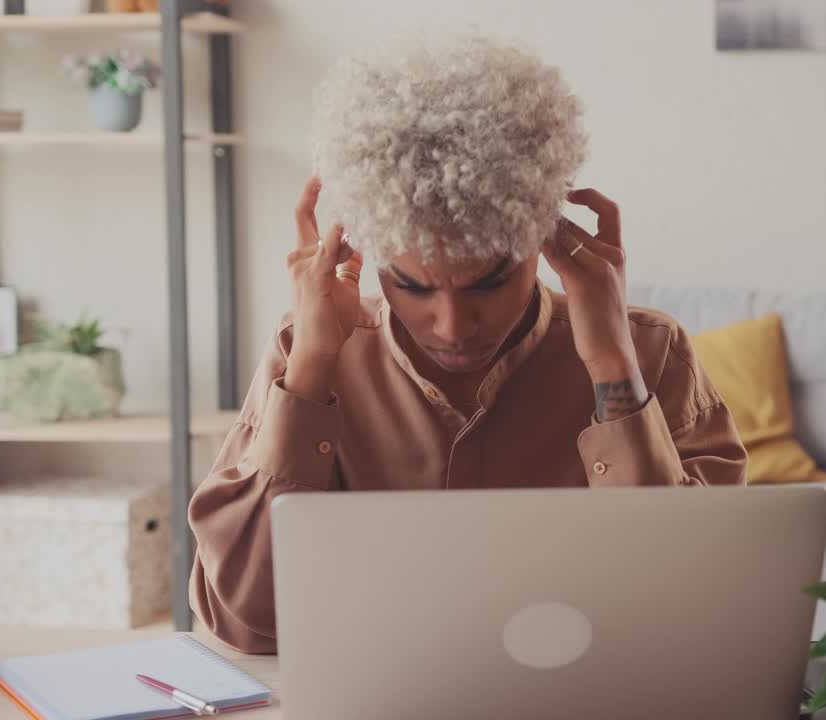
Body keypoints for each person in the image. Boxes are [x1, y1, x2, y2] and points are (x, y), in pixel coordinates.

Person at [188, 34, 748, 654]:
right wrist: (314, 366)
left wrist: (611, 363)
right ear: (361, 250)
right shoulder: (307, 353)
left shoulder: (651, 352)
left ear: (544, 240)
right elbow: (245, 619)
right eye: (412, 285)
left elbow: (695, 609)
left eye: (490, 281)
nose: (452, 326)